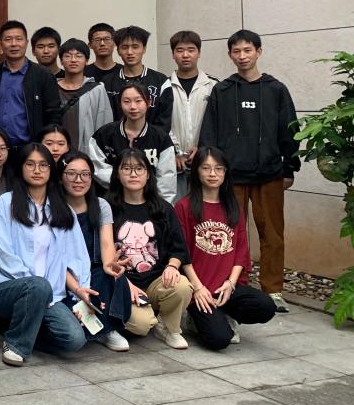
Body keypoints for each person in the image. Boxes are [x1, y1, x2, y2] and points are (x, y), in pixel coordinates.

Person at [199, 29, 300, 313]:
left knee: (272, 234)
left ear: (259, 52)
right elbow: (209, 133)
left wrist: (290, 167)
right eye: (237, 51)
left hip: (270, 174)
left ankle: (273, 289)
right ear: (230, 55)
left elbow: (289, 130)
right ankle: (236, 285)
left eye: (247, 50)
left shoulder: (276, 89)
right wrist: (211, 170)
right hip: (232, 177)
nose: (242, 56)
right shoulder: (222, 90)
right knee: (230, 234)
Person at [0, 144, 90, 365]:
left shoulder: (63, 210)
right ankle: (15, 345)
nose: (37, 170)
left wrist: (80, 293)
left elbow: (77, 256)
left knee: (75, 340)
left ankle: (24, 329)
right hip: (6, 289)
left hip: (49, 296)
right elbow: (1, 253)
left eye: (43, 165)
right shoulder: (5, 203)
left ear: (51, 170)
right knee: (39, 286)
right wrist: (36, 287)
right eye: (30, 164)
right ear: (21, 168)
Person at [176, 148, 276, 350]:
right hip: (199, 289)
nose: (213, 174)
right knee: (219, 339)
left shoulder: (232, 206)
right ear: (196, 171)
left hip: (226, 287)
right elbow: (182, 253)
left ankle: (225, 312)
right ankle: (195, 319)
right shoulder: (184, 206)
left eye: (218, 169)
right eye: (206, 168)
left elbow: (241, 252)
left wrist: (230, 284)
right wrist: (198, 288)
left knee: (266, 307)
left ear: (225, 172)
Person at [108, 148, 193, 349]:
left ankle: (169, 328)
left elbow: (178, 248)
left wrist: (172, 267)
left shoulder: (163, 208)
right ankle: (122, 320)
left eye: (139, 168)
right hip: (122, 282)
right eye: (126, 168)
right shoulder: (108, 208)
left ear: (148, 174)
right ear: (117, 174)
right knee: (141, 326)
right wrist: (123, 282)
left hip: (155, 280)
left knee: (182, 286)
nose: (133, 174)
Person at [58, 151, 131, 351]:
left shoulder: (100, 205)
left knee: (111, 276)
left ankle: (107, 330)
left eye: (85, 174)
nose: (78, 180)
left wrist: (109, 264)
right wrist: (75, 285)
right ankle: (93, 328)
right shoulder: (53, 208)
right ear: (60, 177)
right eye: (71, 173)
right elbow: (54, 258)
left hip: (93, 270)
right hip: (63, 274)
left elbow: (107, 243)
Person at [90, 82, 176, 202]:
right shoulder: (104, 134)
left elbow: (166, 179)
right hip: (112, 201)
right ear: (120, 103)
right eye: (126, 101)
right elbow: (96, 167)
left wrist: (162, 207)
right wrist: (125, 180)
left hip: (148, 202)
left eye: (138, 101)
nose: (133, 107)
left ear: (149, 102)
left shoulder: (161, 138)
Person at [0, 20, 61, 148]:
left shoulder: (43, 74)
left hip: (31, 148)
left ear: (26, 43)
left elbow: (53, 114)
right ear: (1, 45)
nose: (14, 44)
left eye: (18, 39)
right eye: (8, 39)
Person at [168, 30, 217, 202]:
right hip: (174, 164)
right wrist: (174, 151)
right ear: (173, 54)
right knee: (176, 211)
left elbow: (218, 124)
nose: (185, 55)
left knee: (204, 210)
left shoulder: (214, 85)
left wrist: (204, 148)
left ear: (199, 53)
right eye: (180, 50)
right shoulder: (164, 86)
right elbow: (160, 123)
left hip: (205, 161)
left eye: (191, 50)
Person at [102, 25, 173, 133]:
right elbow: (104, 120)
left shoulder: (161, 81)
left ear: (144, 49)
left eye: (135, 47)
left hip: (153, 141)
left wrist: (146, 139)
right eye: (125, 47)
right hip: (115, 141)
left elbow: (165, 121)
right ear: (118, 50)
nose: (130, 52)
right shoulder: (106, 83)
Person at [56, 38, 113, 151]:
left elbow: (104, 123)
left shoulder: (96, 89)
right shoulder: (52, 88)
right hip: (56, 150)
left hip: (86, 153)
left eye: (79, 56)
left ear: (86, 61)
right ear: (61, 61)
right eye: (67, 56)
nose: (73, 60)